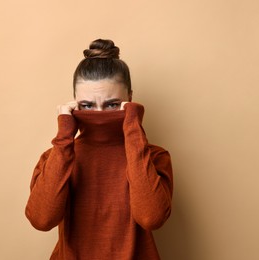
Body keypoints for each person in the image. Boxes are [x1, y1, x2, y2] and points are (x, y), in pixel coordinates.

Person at [25, 39, 173, 259]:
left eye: (112, 104)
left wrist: (132, 126)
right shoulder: (56, 156)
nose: (99, 114)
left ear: (129, 100)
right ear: (74, 103)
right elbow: (41, 220)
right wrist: (65, 135)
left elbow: (151, 217)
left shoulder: (154, 157)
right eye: (87, 105)